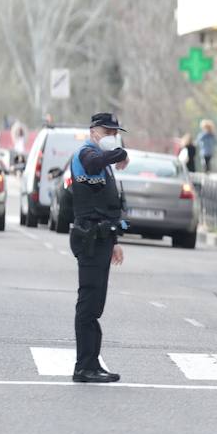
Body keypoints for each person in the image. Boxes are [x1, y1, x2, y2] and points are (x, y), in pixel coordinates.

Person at [69, 113, 130, 384]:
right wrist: (119, 153)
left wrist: (115, 241)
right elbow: (93, 165)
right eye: (108, 131)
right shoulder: (86, 154)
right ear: (93, 131)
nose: (112, 135)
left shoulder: (103, 160)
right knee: (88, 305)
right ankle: (83, 367)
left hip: (102, 239)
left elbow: (107, 205)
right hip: (89, 238)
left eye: (115, 132)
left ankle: (92, 363)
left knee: (96, 306)